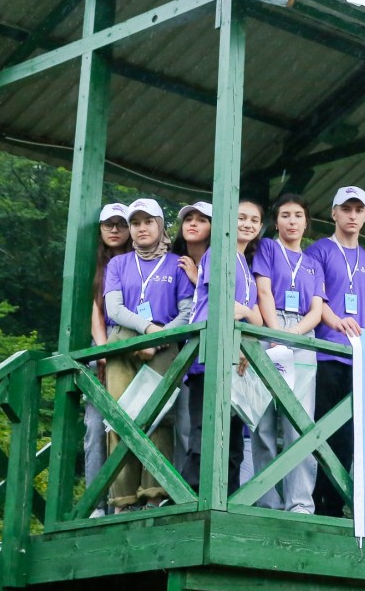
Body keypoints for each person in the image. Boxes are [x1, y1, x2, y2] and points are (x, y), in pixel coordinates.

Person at [102, 198, 194, 511]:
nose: (142, 228)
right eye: (136, 223)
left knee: (160, 418)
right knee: (119, 419)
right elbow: (113, 309)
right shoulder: (118, 264)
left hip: (166, 344)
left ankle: (154, 495)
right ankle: (123, 500)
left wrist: (162, 336)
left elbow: (188, 311)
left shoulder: (177, 263)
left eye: (148, 221)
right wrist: (148, 331)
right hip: (123, 342)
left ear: (160, 225)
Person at [179, 200, 264, 495]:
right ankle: (190, 497)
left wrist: (247, 315)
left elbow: (255, 317)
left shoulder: (247, 266)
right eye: (240, 217)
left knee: (234, 440)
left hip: (235, 360)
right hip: (208, 354)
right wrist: (245, 312)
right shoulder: (219, 253)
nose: (247, 224)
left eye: (254, 220)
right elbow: (221, 306)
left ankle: (226, 499)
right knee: (205, 431)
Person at [251, 193, 326, 513]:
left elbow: (318, 309)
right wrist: (274, 333)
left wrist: (294, 334)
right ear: (276, 221)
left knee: (299, 421)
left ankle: (299, 503)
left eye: (297, 215)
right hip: (269, 328)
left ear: (306, 222)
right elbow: (263, 290)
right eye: (285, 215)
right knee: (264, 422)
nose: (291, 221)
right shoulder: (267, 247)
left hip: (303, 336)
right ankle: (268, 500)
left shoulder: (313, 263)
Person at [308, 186, 365, 517]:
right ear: (333, 213)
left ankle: (337, 504)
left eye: (358, 209)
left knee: (349, 437)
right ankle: (317, 502)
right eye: (345, 209)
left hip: (358, 359)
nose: (352, 215)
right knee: (322, 431)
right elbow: (315, 301)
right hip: (324, 354)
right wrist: (335, 322)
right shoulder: (318, 250)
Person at [84, 202, 131, 517]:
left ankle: (125, 501)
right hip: (104, 343)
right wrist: (101, 350)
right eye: (108, 225)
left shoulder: (139, 260)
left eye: (120, 224)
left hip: (135, 343)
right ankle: (96, 503)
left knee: (133, 423)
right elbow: (96, 311)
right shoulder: (95, 265)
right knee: (95, 425)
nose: (114, 230)